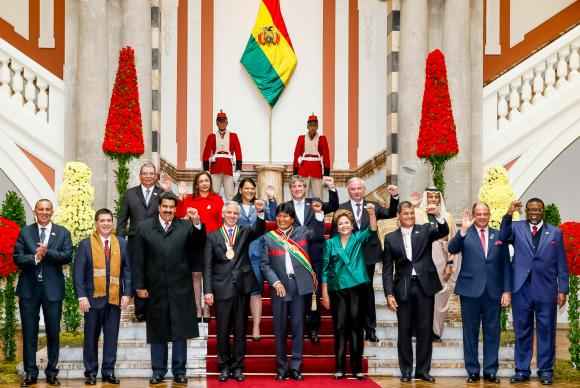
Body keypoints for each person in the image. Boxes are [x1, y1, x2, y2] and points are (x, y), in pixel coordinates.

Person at [133, 192, 206, 385]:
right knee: (157, 331)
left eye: (172, 208)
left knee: (180, 332)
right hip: (154, 289)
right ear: (159, 207)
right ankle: (158, 371)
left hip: (180, 288)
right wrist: (139, 286)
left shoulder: (185, 226)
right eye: (165, 207)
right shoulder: (144, 227)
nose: (168, 211)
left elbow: (199, 244)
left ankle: (179, 371)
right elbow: (137, 259)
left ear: (176, 209)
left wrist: (197, 222)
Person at [499, 198, 568, 385]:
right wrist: (507, 214)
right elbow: (502, 237)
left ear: (543, 211)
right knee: (522, 330)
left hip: (546, 289)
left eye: (537, 210)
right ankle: (522, 370)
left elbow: (561, 262)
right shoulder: (517, 228)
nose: (534, 213)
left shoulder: (555, 232)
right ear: (526, 211)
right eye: (530, 210)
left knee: (547, 330)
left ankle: (545, 371)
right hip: (521, 288)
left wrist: (563, 289)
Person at [382, 201, 449, 383]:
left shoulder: (425, 230)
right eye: (406, 214)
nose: (410, 216)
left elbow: (443, 231)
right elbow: (388, 270)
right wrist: (389, 294)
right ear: (398, 216)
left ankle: (422, 371)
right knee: (404, 331)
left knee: (425, 330)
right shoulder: (390, 238)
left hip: (424, 286)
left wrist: (438, 216)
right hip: (403, 288)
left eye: (412, 213)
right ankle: (405, 371)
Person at [447, 203, 512, 383]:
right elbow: (452, 249)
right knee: (470, 332)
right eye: (479, 214)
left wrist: (507, 291)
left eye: (485, 214)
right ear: (474, 215)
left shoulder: (499, 236)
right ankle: (473, 370)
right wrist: (462, 230)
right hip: (470, 292)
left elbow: (506, 265)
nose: (482, 217)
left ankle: (491, 371)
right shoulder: (465, 233)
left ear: (489, 215)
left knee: (492, 332)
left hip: (494, 292)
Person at [203, 200, 266, 382]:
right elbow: (207, 265)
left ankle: (238, 366)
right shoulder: (212, 236)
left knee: (240, 330)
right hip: (221, 288)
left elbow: (259, 230)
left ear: (239, 217)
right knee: (222, 331)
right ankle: (223, 366)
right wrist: (208, 290)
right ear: (223, 214)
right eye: (229, 213)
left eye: (235, 214)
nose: (232, 216)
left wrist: (260, 213)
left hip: (241, 287)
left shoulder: (245, 232)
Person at [261, 202, 324, 381]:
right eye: (279, 216)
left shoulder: (302, 232)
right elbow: (264, 265)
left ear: (292, 219)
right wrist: (275, 282)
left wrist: (319, 215)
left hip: (299, 287)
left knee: (298, 327)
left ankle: (296, 366)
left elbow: (319, 234)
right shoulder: (269, 238)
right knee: (279, 329)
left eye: (286, 216)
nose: (282, 219)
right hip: (279, 288)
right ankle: (281, 368)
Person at [13, 199, 73, 387]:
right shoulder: (25, 232)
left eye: (48, 209)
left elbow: (67, 256)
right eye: (41, 209)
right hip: (29, 290)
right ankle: (30, 373)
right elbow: (17, 257)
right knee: (29, 332)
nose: (44, 212)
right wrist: (35, 257)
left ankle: (52, 372)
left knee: (53, 332)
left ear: (52, 211)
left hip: (53, 290)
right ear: (35, 211)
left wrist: (48, 253)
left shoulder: (62, 232)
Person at [337, 177, 399, 342]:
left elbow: (391, 213)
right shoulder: (342, 208)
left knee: (366, 290)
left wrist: (394, 197)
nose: (356, 191)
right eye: (353, 189)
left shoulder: (373, 205)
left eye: (359, 189)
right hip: (349, 257)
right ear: (348, 190)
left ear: (363, 190)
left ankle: (370, 329)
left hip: (369, 255)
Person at [74, 208, 132, 385]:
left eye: (109, 220)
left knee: (111, 338)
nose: (106, 223)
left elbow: (128, 270)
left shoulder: (121, 243)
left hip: (114, 299)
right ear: (96, 223)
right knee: (91, 337)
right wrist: (81, 296)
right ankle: (90, 372)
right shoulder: (85, 244)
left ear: (112, 223)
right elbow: (78, 273)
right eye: (102, 220)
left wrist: (127, 293)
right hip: (92, 299)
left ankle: (108, 372)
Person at [321, 205, 377, 380]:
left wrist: (372, 214)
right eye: (340, 223)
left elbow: (372, 229)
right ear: (336, 227)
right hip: (337, 289)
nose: (344, 226)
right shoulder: (330, 243)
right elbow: (324, 269)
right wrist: (324, 294)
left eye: (347, 223)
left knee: (356, 327)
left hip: (357, 288)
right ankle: (339, 367)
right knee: (339, 328)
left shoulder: (358, 238)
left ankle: (357, 367)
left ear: (352, 225)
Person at [284, 175, 339, 343]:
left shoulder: (314, 202)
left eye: (301, 186)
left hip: (315, 254)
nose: (298, 189)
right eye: (294, 186)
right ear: (290, 189)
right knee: (294, 291)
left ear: (305, 188)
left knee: (313, 292)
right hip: (294, 255)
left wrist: (332, 189)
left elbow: (333, 206)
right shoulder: (285, 207)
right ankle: (293, 327)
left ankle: (313, 328)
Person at [116, 162, 168, 321]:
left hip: (156, 241)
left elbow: (171, 213)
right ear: (140, 175)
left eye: (151, 173)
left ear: (155, 176)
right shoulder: (130, 193)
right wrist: (120, 241)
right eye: (145, 173)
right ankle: (140, 311)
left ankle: (154, 310)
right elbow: (122, 220)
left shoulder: (162, 194)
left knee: (155, 274)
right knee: (137, 273)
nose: (148, 176)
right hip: (135, 241)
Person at [232, 178, 277, 340]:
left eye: (252, 188)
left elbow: (273, 217)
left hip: (257, 255)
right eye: (247, 188)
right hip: (238, 254)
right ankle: (238, 327)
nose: (250, 191)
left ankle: (256, 327)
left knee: (256, 291)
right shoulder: (233, 207)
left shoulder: (259, 205)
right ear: (241, 190)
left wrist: (271, 200)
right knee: (238, 291)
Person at [176, 171, 224, 322]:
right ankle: (197, 308)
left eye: (207, 181)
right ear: (196, 184)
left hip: (212, 241)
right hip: (193, 241)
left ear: (210, 182)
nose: (204, 183)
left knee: (208, 274)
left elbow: (221, 221)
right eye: (201, 181)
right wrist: (180, 199)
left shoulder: (217, 199)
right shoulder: (188, 199)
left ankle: (208, 307)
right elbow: (179, 218)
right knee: (196, 275)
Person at [413, 187, 459, 341]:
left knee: (440, 296)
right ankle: (420, 329)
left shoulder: (448, 217)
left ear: (440, 199)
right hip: (421, 261)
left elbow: (454, 242)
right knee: (420, 295)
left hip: (441, 260)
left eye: (436, 197)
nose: (433, 200)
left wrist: (450, 263)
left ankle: (435, 330)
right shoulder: (417, 214)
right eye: (430, 197)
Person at [202, 110, 243, 199]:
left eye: (223, 121)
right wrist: (206, 170)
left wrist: (238, 170)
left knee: (230, 194)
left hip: (228, 167)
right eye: (220, 121)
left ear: (227, 122)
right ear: (217, 123)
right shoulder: (211, 136)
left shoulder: (233, 136)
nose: (222, 123)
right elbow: (206, 153)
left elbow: (238, 153)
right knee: (214, 193)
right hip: (215, 167)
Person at [292, 113, 331, 198]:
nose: (312, 127)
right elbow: (296, 155)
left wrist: (326, 174)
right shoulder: (301, 138)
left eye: (314, 125)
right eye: (310, 125)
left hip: (317, 170)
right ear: (307, 126)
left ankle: (319, 211)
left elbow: (326, 156)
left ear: (317, 126)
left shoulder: (322, 139)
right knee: (301, 194)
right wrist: (295, 173)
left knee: (318, 195)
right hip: (303, 169)